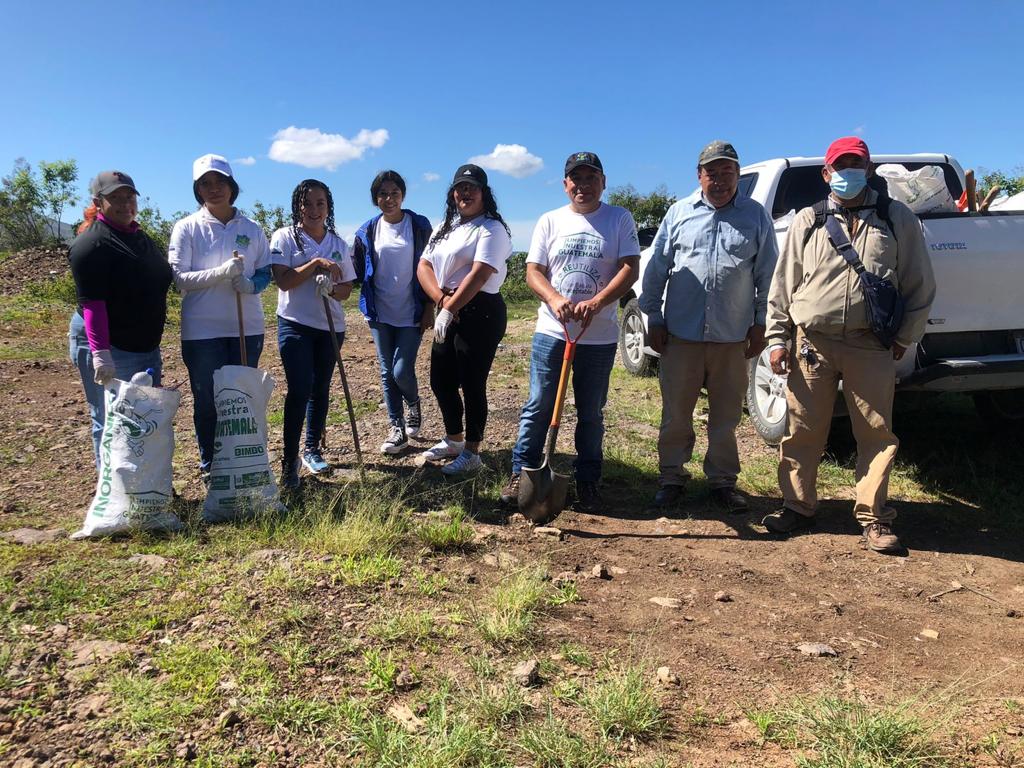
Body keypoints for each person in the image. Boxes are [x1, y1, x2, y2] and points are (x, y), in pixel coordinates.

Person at [763, 136, 936, 553]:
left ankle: (874, 518)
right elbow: (784, 284)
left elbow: (919, 283)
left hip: (870, 345)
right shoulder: (810, 219)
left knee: (876, 433)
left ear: (870, 168)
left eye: (855, 164)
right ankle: (797, 505)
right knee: (802, 431)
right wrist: (776, 338)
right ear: (826, 174)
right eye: (840, 166)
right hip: (813, 343)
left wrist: (904, 337)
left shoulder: (897, 218)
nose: (847, 173)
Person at [639, 140, 778, 511]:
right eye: (711, 172)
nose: (719, 179)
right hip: (680, 335)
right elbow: (656, 270)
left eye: (727, 171)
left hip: (732, 336)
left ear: (737, 173)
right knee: (676, 415)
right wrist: (653, 316)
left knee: (726, 416)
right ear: (699, 176)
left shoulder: (755, 216)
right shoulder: (679, 213)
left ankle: (722, 482)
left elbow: (768, 275)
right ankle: (671, 477)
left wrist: (761, 323)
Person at [500, 152, 639, 513]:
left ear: (603, 182)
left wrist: (597, 302)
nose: (583, 185)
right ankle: (522, 472)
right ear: (565, 185)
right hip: (552, 330)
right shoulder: (550, 220)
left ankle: (588, 480)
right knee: (538, 405)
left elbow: (630, 269)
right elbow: (534, 271)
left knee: (591, 411)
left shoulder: (618, 219)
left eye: (591, 177)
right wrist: (555, 299)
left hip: (600, 335)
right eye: (576, 179)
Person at [168, 154, 273, 478]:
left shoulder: (252, 229)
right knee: (207, 400)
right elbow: (180, 279)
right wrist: (221, 273)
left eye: (220, 182)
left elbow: (267, 273)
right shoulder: (187, 228)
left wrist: (249, 284)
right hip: (201, 331)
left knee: (240, 398)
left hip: (247, 327)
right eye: (206, 184)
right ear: (198, 190)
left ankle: (239, 460)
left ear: (232, 186)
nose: (214, 189)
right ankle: (211, 466)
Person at [68, 171, 173, 467]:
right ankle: (114, 493)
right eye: (116, 197)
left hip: (144, 346)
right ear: (98, 202)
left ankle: (143, 484)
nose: (125, 203)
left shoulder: (138, 236)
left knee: (141, 415)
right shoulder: (92, 245)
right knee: (111, 418)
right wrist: (100, 354)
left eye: (129, 197)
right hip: (111, 344)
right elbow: (93, 304)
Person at [416, 164, 512, 475]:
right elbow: (424, 265)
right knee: (440, 380)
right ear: (453, 193)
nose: (466, 193)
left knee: (472, 382)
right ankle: (454, 439)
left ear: (484, 193)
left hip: (480, 310)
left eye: (473, 187)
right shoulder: (446, 225)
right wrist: (442, 302)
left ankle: (472, 452)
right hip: (449, 305)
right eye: (461, 187)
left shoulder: (492, 229)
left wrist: (449, 306)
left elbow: (480, 273)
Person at [270, 179, 354, 488]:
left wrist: (332, 288)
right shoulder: (285, 237)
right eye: (307, 203)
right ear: (298, 206)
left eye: (321, 203)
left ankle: (312, 449)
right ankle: (289, 461)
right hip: (295, 324)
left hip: (330, 326)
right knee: (299, 388)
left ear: (328, 207)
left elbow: (346, 290)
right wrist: (315, 264)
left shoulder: (338, 243)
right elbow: (284, 281)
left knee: (320, 389)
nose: (314, 209)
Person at [352, 171, 433, 455]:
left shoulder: (420, 226)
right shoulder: (367, 231)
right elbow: (357, 271)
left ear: (403, 195)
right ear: (376, 198)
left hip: (411, 311)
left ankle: (413, 403)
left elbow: (431, 266)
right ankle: (397, 427)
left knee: (402, 370)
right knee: (387, 372)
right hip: (379, 312)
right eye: (383, 194)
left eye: (394, 193)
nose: (389, 199)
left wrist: (429, 306)